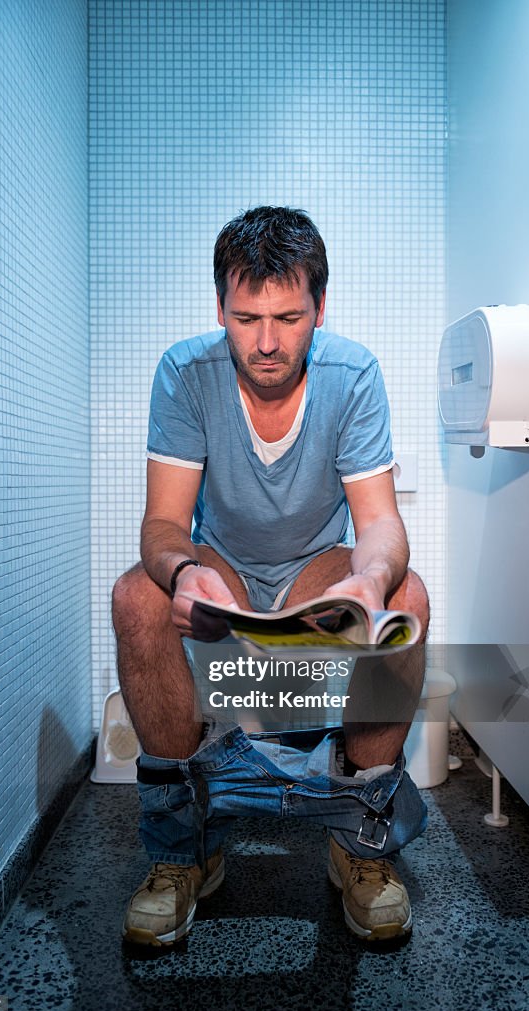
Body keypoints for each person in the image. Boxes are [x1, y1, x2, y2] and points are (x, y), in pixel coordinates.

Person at [112, 206, 430, 949]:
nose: (264, 342)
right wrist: (185, 570)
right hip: (219, 561)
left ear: (320, 307)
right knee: (136, 595)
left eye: (287, 317)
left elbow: (379, 525)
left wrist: (370, 580)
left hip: (314, 565)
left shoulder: (352, 375)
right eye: (244, 316)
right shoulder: (185, 372)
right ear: (218, 306)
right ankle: (182, 853)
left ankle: (360, 844)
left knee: (405, 598)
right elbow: (162, 524)